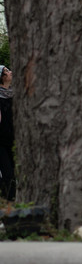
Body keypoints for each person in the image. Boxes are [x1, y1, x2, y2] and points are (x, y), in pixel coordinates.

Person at [0, 65, 15, 201]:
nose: (10, 72)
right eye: (7, 71)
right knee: (7, 173)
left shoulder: (13, 93)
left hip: (13, 139)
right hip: (1, 142)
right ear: (2, 77)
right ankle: (8, 203)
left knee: (15, 173)